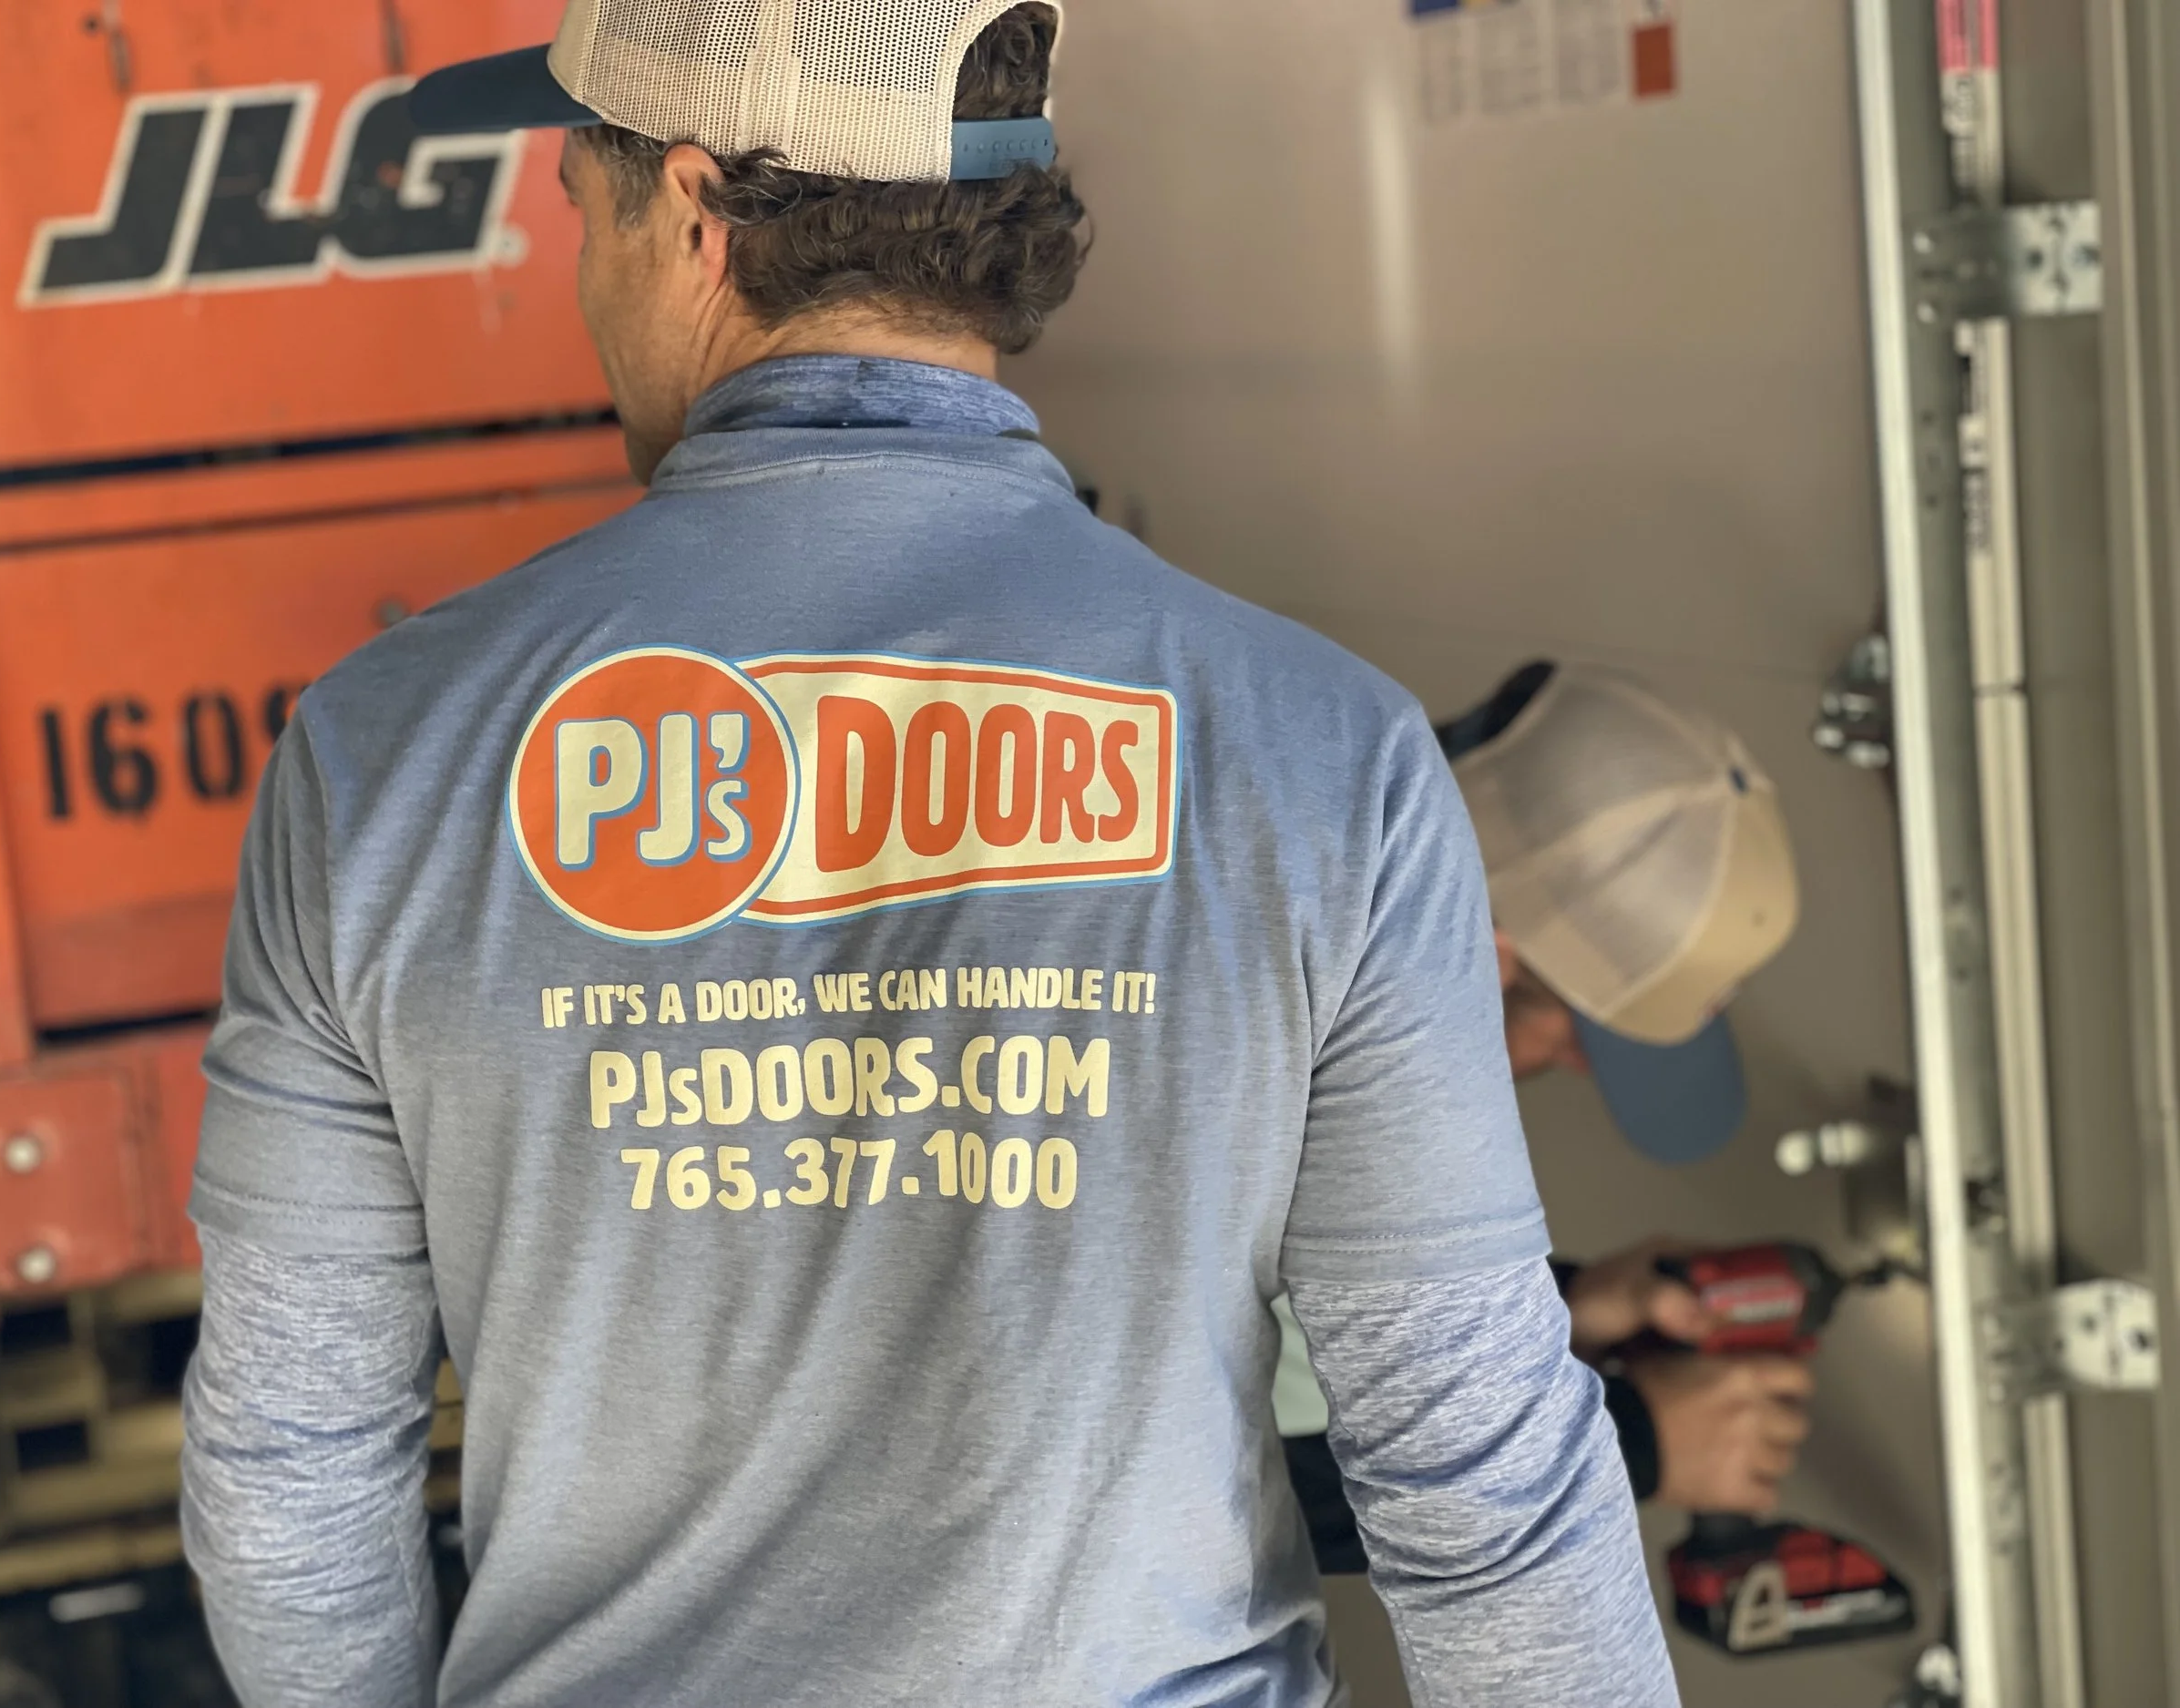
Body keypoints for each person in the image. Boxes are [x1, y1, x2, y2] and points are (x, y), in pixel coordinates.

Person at [177, 5, 1677, 1703]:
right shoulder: (1327, 759)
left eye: (579, 213)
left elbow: (293, 1461)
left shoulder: (383, 758)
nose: (584, 281)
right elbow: (1477, 1462)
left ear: (689, 214)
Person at [1274, 660, 1814, 1575]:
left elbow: (1288, 1328)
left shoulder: (1298, 882)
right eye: (1572, 1039)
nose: (1561, 1071)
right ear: (1483, 955)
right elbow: (1158, 1500)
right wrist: (1626, 1442)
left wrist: (1554, 1315)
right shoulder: (1197, 1038)